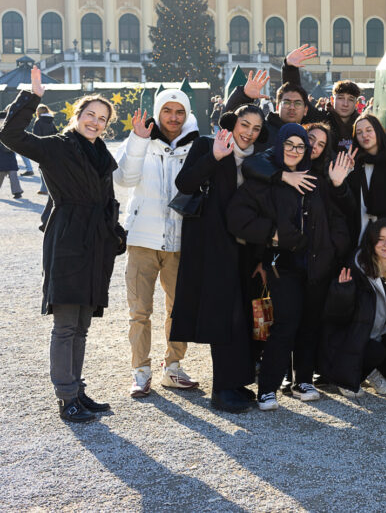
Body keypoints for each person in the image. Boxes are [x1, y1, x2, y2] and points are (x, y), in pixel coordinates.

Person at [0, 67, 123, 423]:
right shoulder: (56, 146)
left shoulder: (102, 155)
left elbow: (108, 199)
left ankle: (76, 389)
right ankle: (65, 397)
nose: (96, 122)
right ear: (77, 115)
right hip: (68, 238)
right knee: (66, 324)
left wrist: (116, 233)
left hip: (96, 241)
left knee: (83, 324)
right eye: (90, 115)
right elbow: (10, 134)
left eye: (102, 119)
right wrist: (32, 97)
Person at [227, 124, 350, 410]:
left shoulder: (317, 181)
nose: (295, 150)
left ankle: (302, 380)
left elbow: (339, 219)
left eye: (300, 146)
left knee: (310, 324)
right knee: (286, 323)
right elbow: (236, 217)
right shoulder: (267, 181)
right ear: (280, 144)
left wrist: (334, 250)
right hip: (284, 265)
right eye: (289, 144)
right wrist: (272, 234)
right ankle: (267, 387)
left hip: (318, 265)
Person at [171, 106, 266, 414]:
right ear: (233, 123)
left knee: (243, 318)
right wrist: (214, 157)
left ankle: (237, 382)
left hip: (245, 247)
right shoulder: (207, 144)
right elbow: (184, 184)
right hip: (212, 246)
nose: (249, 132)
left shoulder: (259, 158)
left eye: (255, 128)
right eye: (244, 124)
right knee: (223, 317)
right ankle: (221, 390)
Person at [114, 89, 201, 397]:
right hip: (142, 239)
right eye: (167, 111)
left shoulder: (196, 144)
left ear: (187, 113)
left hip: (180, 240)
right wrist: (137, 140)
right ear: (158, 111)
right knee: (139, 310)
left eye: (179, 111)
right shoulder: (141, 139)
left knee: (179, 309)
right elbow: (123, 179)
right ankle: (140, 370)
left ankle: (173, 368)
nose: (173, 117)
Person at [321, 218, 386, 396]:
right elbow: (336, 318)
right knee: (375, 351)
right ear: (371, 241)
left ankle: (378, 374)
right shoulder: (356, 266)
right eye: (380, 239)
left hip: (379, 336)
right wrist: (342, 292)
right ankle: (349, 378)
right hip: (352, 339)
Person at [223, 45, 319, 146]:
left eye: (297, 103)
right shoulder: (262, 132)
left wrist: (290, 68)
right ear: (277, 107)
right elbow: (228, 125)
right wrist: (243, 95)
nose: (292, 107)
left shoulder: (313, 136)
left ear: (305, 110)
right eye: (286, 102)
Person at [343, 114, 386, 241]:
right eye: (359, 132)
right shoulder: (354, 163)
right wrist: (347, 171)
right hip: (357, 234)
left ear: (378, 131)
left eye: (369, 130)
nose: (364, 135)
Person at [33, 105, 58, 194]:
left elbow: (36, 136)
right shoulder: (51, 121)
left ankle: (44, 189)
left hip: (43, 148)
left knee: (43, 168)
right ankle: (51, 187)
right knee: (51, 168)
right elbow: (56, 133)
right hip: (52, 147)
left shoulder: (39, 122)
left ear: (38, 112)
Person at [0, 112, 24, 199]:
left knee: (12, 175)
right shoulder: (9, 130)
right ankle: (17, 192)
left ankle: (17, 192)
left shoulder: (8, 130)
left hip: (7, 157)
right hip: (6, 157)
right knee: (10, 175)